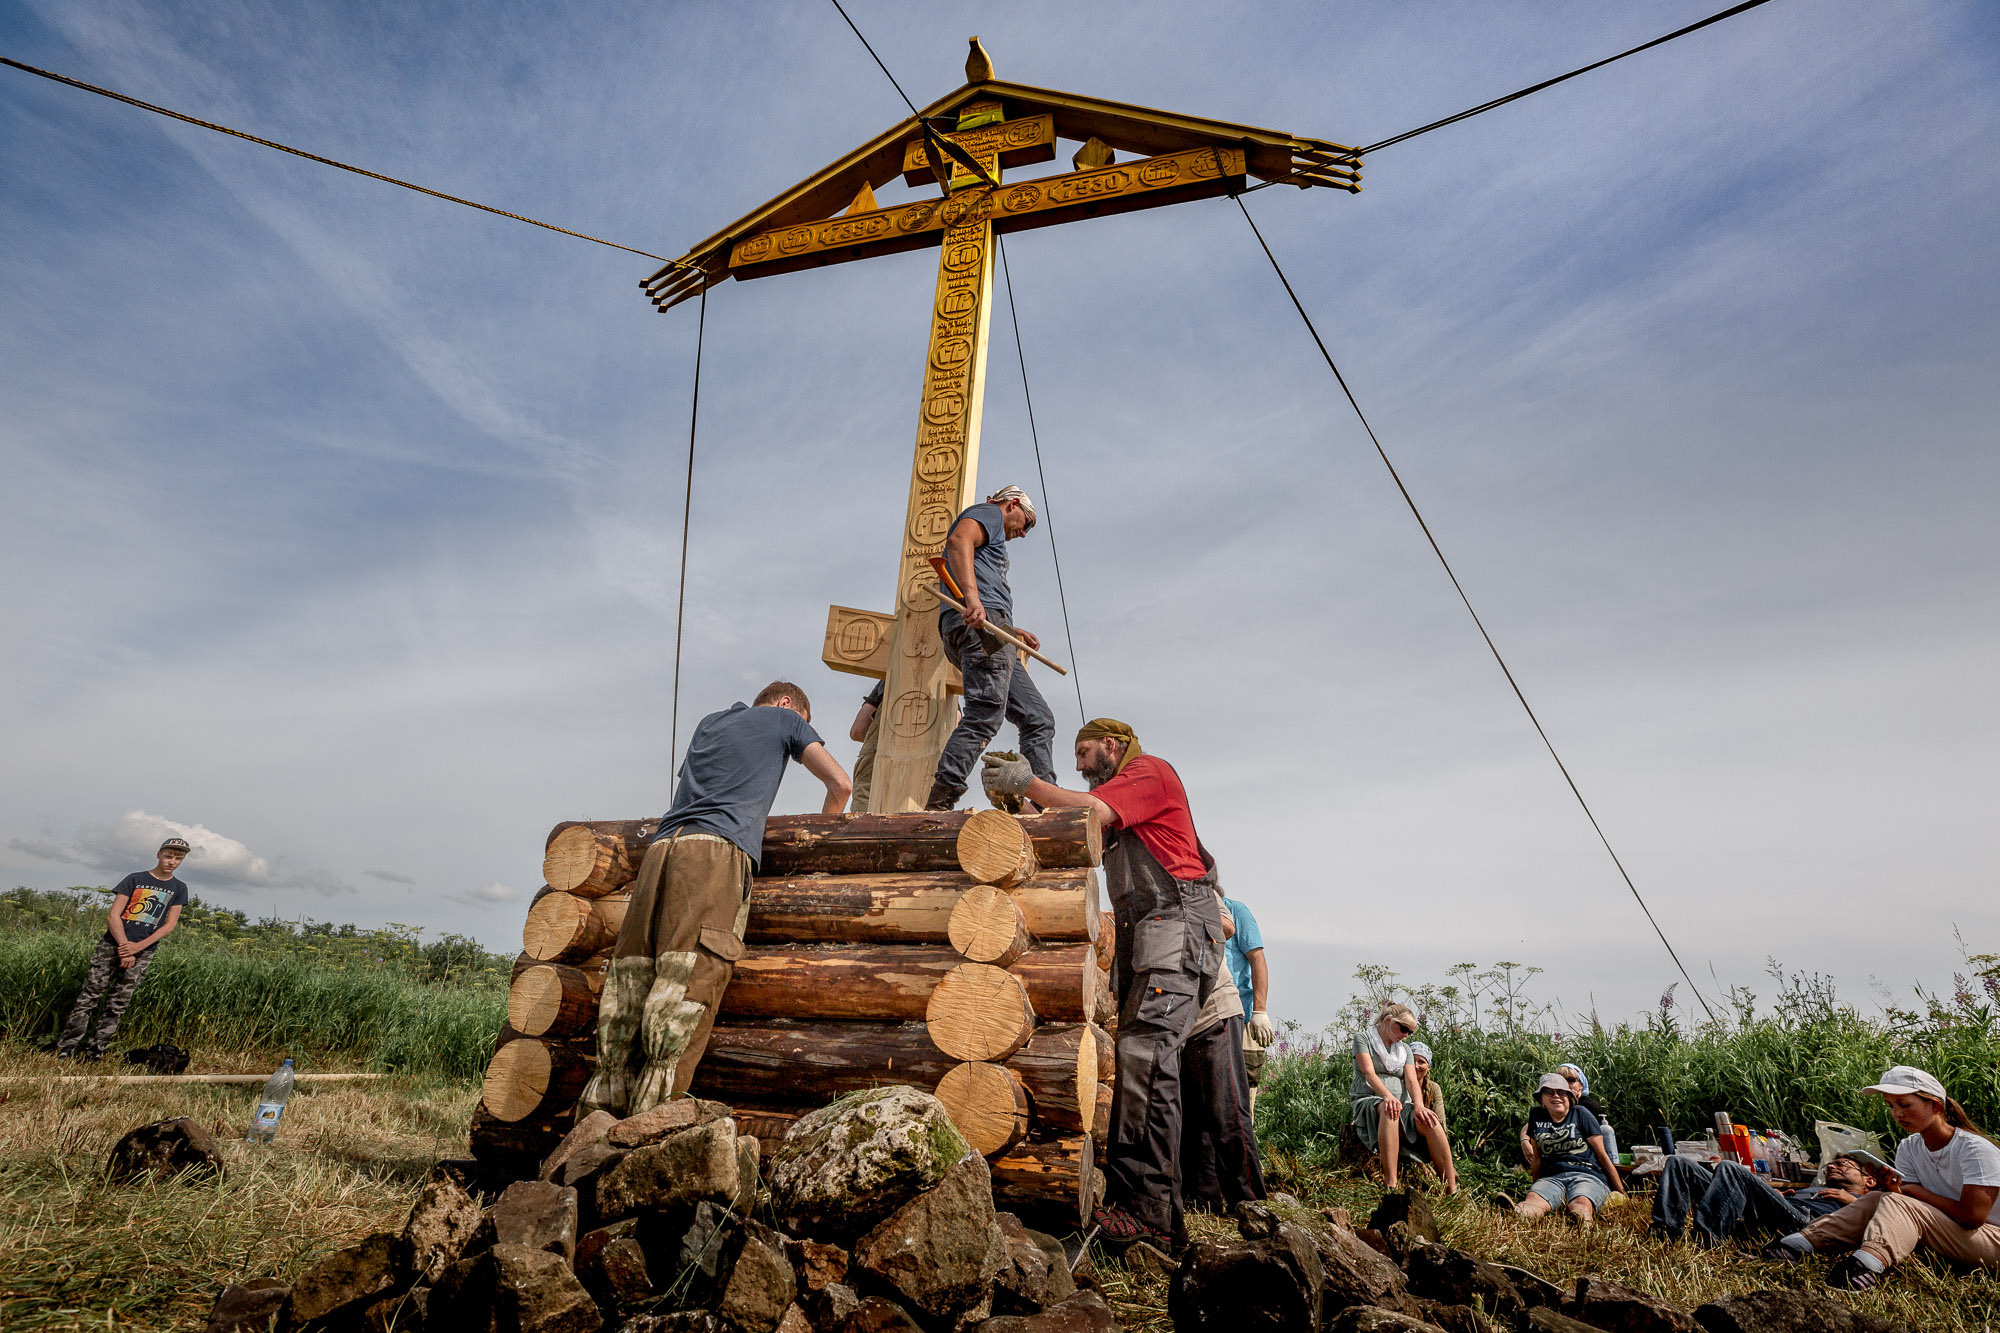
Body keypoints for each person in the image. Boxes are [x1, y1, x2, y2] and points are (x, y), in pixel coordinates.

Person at [983, 718, 1223, 1252]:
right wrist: (1015, 805)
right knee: (1143, 1058)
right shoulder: (1115, 809)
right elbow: (1070, 822)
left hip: (1177, 924)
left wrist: (1028, 783)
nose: (1079, 764)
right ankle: (1142, 1207)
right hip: (1153, 935)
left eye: (1084, 752)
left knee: (1148, 1055)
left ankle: (1152, 1214)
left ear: (1112, 746)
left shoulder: (1148, 771)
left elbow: (1091, 808)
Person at [582, 681, 850, 1117]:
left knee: (633, 981)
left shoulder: (710, 723)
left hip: (661, 853)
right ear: (787, 704)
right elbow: (840, 783)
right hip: (714, 856)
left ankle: (595, 1124)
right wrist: (822, 841)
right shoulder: (785, 719)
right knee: (686, 984)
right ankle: (643, 1138)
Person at [1765, 1065, 2000, 1289]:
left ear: (1935, 1106)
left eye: (1905, 1104)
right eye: (1890, 1106)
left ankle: (1866, 1265)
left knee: (1893, 1200)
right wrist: (1893, 1189)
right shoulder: (1909, 1147)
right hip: (1951, 1233)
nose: (1897, 1114)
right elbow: (1906, 1206)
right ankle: (1802, 1242)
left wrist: (1912, 1192)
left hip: (1990, 1240)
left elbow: (1972, 1217)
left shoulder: (1974, 1149)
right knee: (1877, 1197)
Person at [924, 485, 1056, 810]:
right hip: (980, 627)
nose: (1023, 533)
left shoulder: (995, 525)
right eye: (1024, 523)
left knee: (1038, 718)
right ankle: (940, 803)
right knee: (984, 715)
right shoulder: (990, 514)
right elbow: (959, 540)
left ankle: (1044, 803)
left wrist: (1009, 626)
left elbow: (982, 582)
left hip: (990, 628)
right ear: (1012, 504)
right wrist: (972, 599)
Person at [56, 838, 193, 1061]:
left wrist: (137, 948)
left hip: (143, 950)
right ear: (159, 854)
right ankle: (67, 1048)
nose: (172, 861)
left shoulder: (179, 888)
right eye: (169, 856)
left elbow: (169, 925)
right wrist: (124, 947)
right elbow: (113, 915)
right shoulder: (135, 879)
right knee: (89, 997)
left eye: (178, 858)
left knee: (118, 1002)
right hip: (112, 945)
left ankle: (95, 1052)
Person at [1179, 887, 1267, 1218]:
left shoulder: (1194, 885)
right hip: (1184, 1023)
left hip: (1216, 1011)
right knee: (1194, 1116)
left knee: (1227, 1110)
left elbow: (1227, 927)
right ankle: (1204, 1202)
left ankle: (1251, 1204)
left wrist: (1260, 1010)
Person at [1653, 1151, 1883, 1245]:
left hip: (1803, 1221)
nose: (1832, 1167)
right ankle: (1665, 1234)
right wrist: (1775, 1195)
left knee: (1730, 1168)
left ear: (1869, 1180)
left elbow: (1886, 1220)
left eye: (1842, 1164)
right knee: (1678, 1163)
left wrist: (1853, 1201)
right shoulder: (1815, 1189)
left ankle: (1708, 1240)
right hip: (1781, 1210)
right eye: (1830, 1165)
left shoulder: (1872, 1200)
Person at [1351, 1003, 1457, 1192]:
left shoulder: (1405, 1050)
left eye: (1410, 1032)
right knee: (1389, 1108)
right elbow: (1368, 1072)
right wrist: (1387, 1096)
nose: (1406, 1035)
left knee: (1430, 1120)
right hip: (1370, 1098)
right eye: (1404, 1029)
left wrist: (1419, 1107)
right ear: (1389, 1021)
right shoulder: (1363, 1038)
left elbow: (1411, 1081)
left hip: (1402, 1104)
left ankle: (1451, 1188)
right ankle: (1390, 1183)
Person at [1513, 1072, 1623, 1224]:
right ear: (1542, 1099)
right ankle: (1517, 1214)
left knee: (1581, 1201)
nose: (1555, 1096)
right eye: (1549, 1092)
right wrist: (1536, 1188)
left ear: (1570, 1097)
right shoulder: (1536, 1116)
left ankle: (1580, 1221)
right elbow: (1537, 1159)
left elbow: (1602, 1156)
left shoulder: (1581, 1114)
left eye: (1561, 1092)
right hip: (1552, 1177)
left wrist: (1621, 1191)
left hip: (1586, 1175)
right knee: (1533, 1200)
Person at [1219, 891, 1273, 1105]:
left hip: (1242, 1017)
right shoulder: (1193, 911)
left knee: (1242, 1092)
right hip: (1208, 1015)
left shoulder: (1236, 912)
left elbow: (1257, 958)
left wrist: (1260, 1011)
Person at [1403, 1040, 1458, 1185]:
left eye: (1421, 1061)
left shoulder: (1433, 1088)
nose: (1416, 1066)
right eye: (1412, 1061)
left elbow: (1441, 1123)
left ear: (1428, 1066)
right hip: (1405, 1140)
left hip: (1429, 1139)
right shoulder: (1399, 1085)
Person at [1555, 1063, 1618, 1158]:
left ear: (1581, 1085)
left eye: (1571, 1080)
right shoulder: (1555, 1106)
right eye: (1561, 1080)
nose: (1566, 1084)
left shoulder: (1587, 1105)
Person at [847, 681, 882, 811]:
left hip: (875, 758)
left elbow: (858, 731)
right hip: (930, 760)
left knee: (864, 823)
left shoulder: (891, 675)